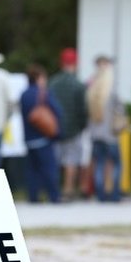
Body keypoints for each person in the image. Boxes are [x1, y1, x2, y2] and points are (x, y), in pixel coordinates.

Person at [20, 64, 63, 203]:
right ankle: (54, 196)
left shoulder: (24, 94)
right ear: (39, 78)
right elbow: (57, 111)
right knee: (49, 168)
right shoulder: (43, 93)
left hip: (29, 138)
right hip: (43, 137)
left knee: (32, 170)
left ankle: (33, 197)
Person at [49, 48, 87, 201]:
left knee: (56, 161)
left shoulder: (53, 83)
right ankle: (68, 190)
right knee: (71, 160)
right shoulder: (78, 85)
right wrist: (81, 126)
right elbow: (82, 110)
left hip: (54, 128)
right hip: (73, 129)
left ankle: (54, 189)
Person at [86, 61, 124, 202]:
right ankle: (114, 194)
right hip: (110, 135)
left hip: (96, 134)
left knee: (100, 164)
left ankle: (101, 194)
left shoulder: (91, 92)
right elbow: (120, 111)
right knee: (116, 164)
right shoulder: (111, 92)